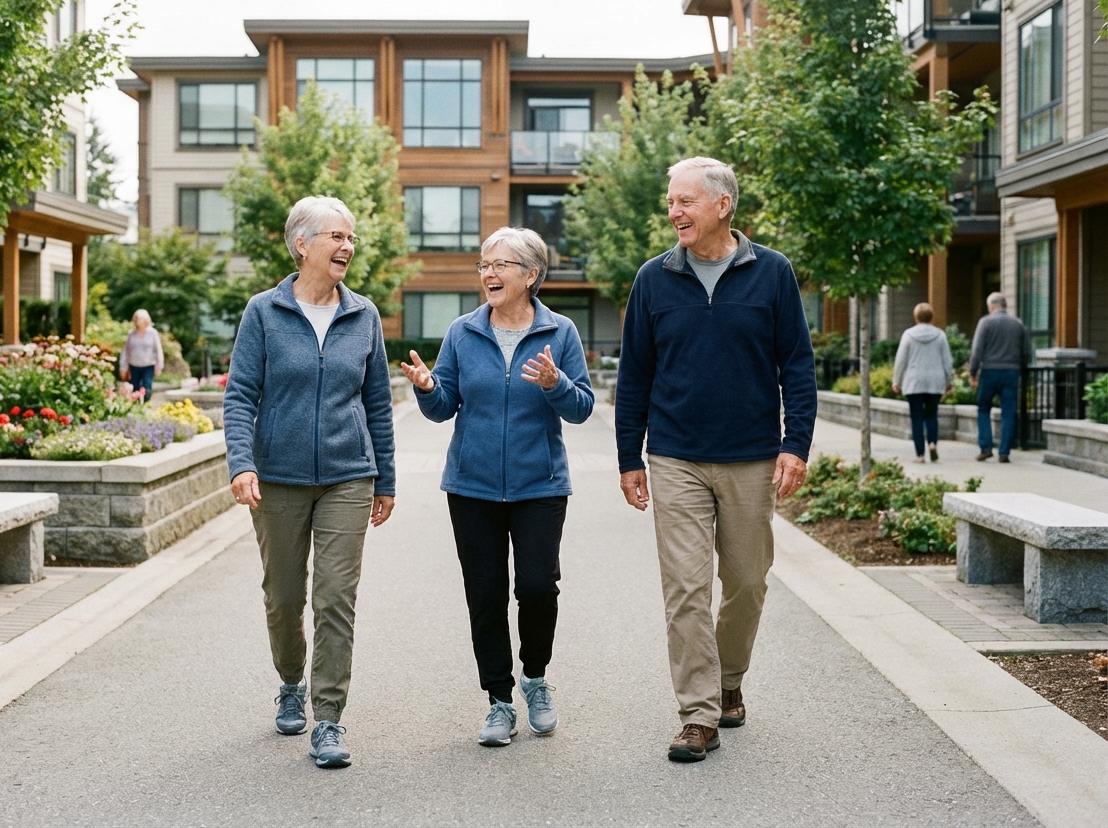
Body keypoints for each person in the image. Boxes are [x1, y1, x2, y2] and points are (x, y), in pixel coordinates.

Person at [615, 157, 817, 762]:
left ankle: (729, 679)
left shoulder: (772, 272)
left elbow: (797, 365)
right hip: (675, 455)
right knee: (685, 587)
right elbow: (635, 375)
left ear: (723, 205)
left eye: (685, 201)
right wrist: (629, 457)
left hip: (751, 456)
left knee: (747, 582)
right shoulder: (653, 279)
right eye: (670, 202)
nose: (673, 212)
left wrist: (795, 445)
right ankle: (698, 714)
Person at [401, 227, 594, 748]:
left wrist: (556, 384)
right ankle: (499, 700)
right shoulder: (463, 332)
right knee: (484, 595)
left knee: (537, 586)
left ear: (531, 275)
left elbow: (582, 408)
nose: (488, 273)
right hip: (472, 486)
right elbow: (444, 406)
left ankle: (535, 677)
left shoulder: (561, 332)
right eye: (484, 265)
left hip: (540, 485)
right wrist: (428, 389)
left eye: (500, 265)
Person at [224, 196, 396, 769]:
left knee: (335, 598)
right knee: (283, 597)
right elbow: (240, 395)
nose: (347, 246)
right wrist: (242, 463)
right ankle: (290, 681)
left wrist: (386, 479)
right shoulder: (264, 312)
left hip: (349, 475)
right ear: (302, 244)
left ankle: (328, 718)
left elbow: (377, 404)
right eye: (336, 236)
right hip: (278, 477)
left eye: (351, 238)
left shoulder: (363, 314)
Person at [969, 291, 1031, 463]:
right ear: (1004, 306)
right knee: (1009, 411)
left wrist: (973, 371)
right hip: (1011, 372)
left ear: (991, 307)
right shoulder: (1017, 324)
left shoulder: (985, 322)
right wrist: (1020, 366)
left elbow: (977, 350)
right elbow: (1026, 351)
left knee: (983, 408)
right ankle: (1004, 452)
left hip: (989, 370)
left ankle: (986, 448)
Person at [892, 303, 954, 463]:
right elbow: (947, 360)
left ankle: (920, 454)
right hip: (935, 381)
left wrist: (896, 381)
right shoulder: (940, 335)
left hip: (914, 382)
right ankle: (932, 443)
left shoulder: (908, 335)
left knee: (917, 418)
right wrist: (949, 381)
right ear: (931, 317)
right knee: (932, 415)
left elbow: (901, 360)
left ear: (916, 317)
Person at [119, 309, 163, 402]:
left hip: (149, 365)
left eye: (141, 319)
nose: (139, 321)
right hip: (134, 366)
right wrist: (123, 367)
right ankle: (138, 407)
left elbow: (158, 350)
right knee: (135, 389)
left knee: (147, 389)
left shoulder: (153, 333)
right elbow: (126, 351)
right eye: (138, 319)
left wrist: (159, 366)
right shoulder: (131, 334)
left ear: (146, 320)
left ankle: (145, 403)